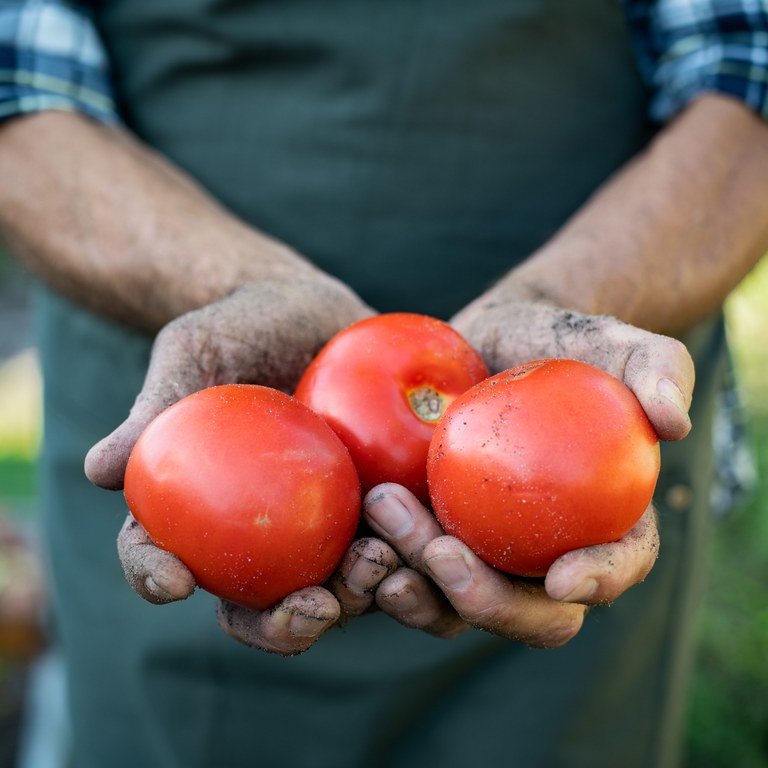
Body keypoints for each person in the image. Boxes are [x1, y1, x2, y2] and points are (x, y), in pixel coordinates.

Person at [0, 1, 767, 766]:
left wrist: (566, 307)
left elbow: (746, 72)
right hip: (181, 393)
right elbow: (19, 92)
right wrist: (227, 282)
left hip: (603, 331)